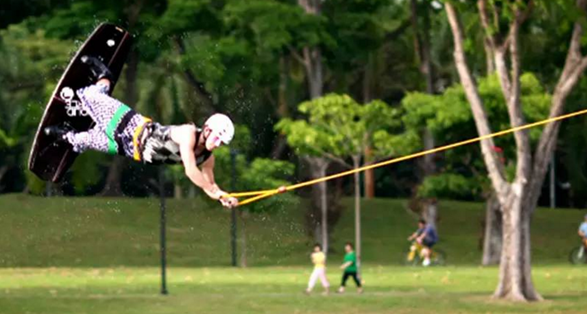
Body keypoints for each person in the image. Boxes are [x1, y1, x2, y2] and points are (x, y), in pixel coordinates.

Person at [44, 56, 238, 208]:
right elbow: (190, 171)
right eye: (218, 137)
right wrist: (214, 190)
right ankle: (105, 78)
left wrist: (222, 197)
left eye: (222, 141)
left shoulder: (207, 158)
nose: (218, 143)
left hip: (129, 149)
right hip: (131, 126)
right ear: (207, 128)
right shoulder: (188, 134)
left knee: (81, 140)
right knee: (89, 95)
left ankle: (64, 134)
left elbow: (210, 185)